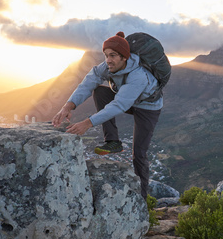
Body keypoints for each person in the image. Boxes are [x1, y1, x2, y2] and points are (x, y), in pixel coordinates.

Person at [52, 31, 162, 199]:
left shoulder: (138, 76)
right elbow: (89, 81)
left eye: (113, 55)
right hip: (129, 100)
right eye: (106, 55)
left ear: (125, 57)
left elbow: (119, 105)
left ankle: (142, 199)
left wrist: (87, 123)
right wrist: (68, 106)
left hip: (148, 106)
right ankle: (113, 141)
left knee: (139, 153)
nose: (108, 60)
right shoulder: (108, 66)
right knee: (100, 91)